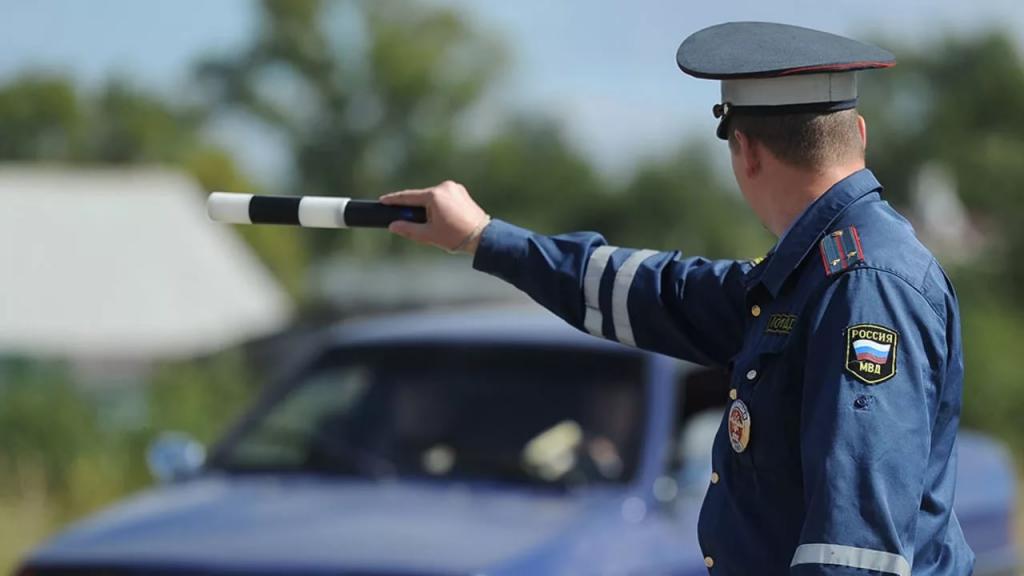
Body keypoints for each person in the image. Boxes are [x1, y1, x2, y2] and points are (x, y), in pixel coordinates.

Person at [379, 21, 973, 576]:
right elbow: (657, 292)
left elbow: (854, 553)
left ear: (746, 151)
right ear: (858, 134)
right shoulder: (814, 272)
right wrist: (484, 237)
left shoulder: (859, 284)